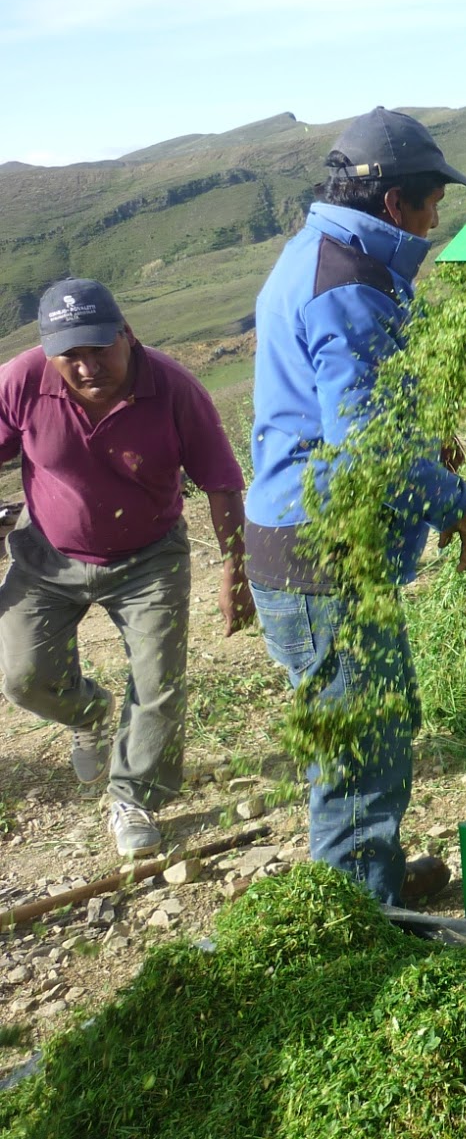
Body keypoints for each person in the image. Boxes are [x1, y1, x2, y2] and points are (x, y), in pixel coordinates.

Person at [246, 107, 466, 906]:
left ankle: (366, 876)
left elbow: (366, 406)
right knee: (360, 752)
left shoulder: (326, 255)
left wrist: (429, 425)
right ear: (393, 205)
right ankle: (362, 928)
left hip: (307, 541)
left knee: (369, 726)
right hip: (322, 552)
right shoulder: (346, 286)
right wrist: (453, 501)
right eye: (431, 204)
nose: (436, 218)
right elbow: (370, 450)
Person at [0, 278, 250, 858]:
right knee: (22, 679)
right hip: (48, 552)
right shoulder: (22, 380)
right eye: (70, 355)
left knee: (159, 684)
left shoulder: (174, 388)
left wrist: (234, 570)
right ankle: (88, 710)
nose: (87, 368)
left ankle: (133, 795)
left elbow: (221, 484)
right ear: (47, 352)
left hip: (148, 557)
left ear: (128, 336)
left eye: (99, 349)